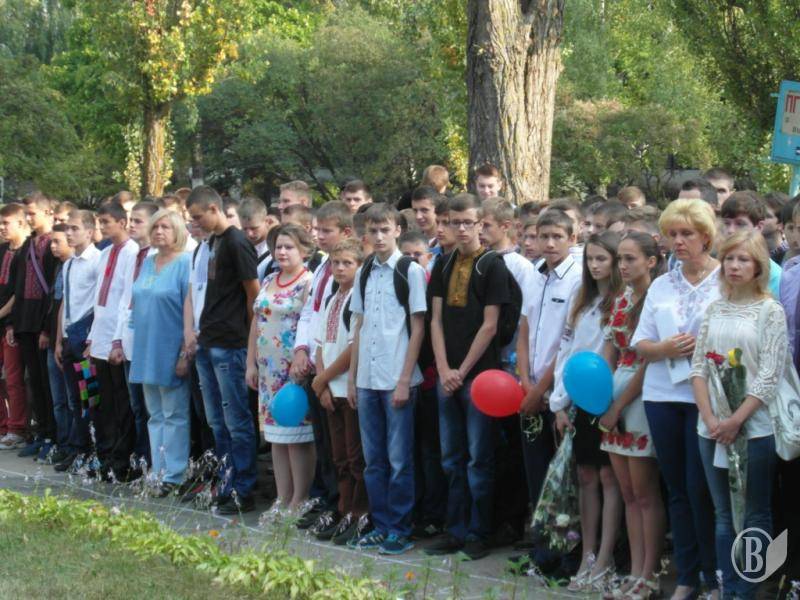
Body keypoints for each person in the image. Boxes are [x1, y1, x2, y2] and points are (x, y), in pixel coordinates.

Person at [632, 198, 720, 600]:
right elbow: (641, 344)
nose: (678, 241)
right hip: (662, 395)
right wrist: (665, 348)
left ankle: (714, 577)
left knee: (703, 488)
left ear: (706, 237)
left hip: (708, 399)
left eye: (687, 234)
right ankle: (687, 576)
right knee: (678, 489)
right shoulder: (662, 284)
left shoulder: (725, 280)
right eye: (672, 234)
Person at [690, 231, 784, 600]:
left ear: (758, 266)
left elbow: (769, 374)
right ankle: (727, 589)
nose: (734, 265)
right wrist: (712, 419)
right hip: (711, 427)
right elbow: (699, 366)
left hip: (754, 428)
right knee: (724, 514)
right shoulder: (715, 308)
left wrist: (736, 420)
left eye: (743, 259)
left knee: (754, 514)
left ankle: (748, 591)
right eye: (729, 258)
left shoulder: (770, 311)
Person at [426, 193, 511, 560]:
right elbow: (435, 320)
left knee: (479, 458)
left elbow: (490, 325)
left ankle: (479, 532)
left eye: (467, 223)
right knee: (451, 457)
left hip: (479, 376)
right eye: (453, 222)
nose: (460, 229)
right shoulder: (442, 263)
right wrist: (444, 368)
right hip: (447, 374)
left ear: (480, 224)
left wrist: (461, 371)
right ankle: (455, 529)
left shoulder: (492, 265)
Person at [348, 202, 426, 555]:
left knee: (399, 460)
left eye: (385, 230)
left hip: (396, 376)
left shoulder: (409, 270)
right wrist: (353, 378)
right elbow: (359, 324)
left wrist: (405, 379)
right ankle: (380, 525)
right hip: (367, 377)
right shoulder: (364, 271)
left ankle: (400, 528)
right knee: (373, 460)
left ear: (398, 230)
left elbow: (418, 326)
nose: (378, 237)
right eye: (373, 230)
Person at [550, 232, 623, 593]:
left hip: (609, 398)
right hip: (578, 398)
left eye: (602, 259)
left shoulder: (622, 301)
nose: (594, 266)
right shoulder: (581, 299)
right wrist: (559, 402)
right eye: (590, 259)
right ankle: (588, 555)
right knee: (586, 476)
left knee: (610, 477)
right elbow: (567, 352)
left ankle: (606, 558)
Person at [599, 232, 666, 600]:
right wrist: (600, 395)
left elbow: (646, 362)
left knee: (644, 492)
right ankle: (634, 572)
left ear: (651, 261)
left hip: (640, 394)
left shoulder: (657, 297)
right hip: (615, 391)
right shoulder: (622, 297)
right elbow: (611, 349)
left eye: (630, 258)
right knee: (626, 491)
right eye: (620, 258)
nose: (622, 266)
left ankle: (649, 574)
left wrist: (618, 404)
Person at [185, 186, 260, 514]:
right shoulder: (211, 243)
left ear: (214, 209)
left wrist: (249, 342)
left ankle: (244, 488)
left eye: (198, 216)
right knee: (216, 420)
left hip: (231, 343)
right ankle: (226, 481)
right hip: (208, 339)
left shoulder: (236, 241)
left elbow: (253, 293)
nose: (195, 223)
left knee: (237, 420)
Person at [290, 201, 353, 532]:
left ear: (346, 231)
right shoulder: (321, 268)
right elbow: (310, 312)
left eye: (326, 230)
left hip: (336, 370)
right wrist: (301, 350)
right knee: (324, 441)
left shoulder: (349, 272)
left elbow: (343, 332)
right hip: (317, 362)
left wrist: (325, 373)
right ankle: (326, 499)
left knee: (341, 446)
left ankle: (341, 505)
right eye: (316, 229)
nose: (318, 236)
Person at [517, 209, 581, 515]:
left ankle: (561, 537)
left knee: (562, 472)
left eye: (558, 236)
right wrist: (525, 382)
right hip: (530, 389)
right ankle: (539, 534)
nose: (550, 243)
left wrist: (541, 388)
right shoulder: (534, 274)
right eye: (544, 236)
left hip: (558, 391)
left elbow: (569, 341)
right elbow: (524, 329)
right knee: (534, 467)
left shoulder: (578, 280)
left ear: (572, 238)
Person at [246, 225, 314, 510]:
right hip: (267, 370)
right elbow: (257, 320)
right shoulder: (269, 279)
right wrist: (250, 363)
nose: (282, 252)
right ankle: (282, 497)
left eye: (289, 247)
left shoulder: (308, 281)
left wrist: (302, 357)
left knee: (296, 435)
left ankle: (300, 498)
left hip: (293, 370)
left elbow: (310, 322)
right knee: (275, 435)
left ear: (304, 250)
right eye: (278, 247)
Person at [129, 210, 192, 497]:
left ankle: (174, 474)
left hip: (171, 347)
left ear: (177, 230)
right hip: (145, 347)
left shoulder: (185, 263)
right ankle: (158, 470)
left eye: (165, 227)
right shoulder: (148, 261)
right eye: (155, 227)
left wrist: (184, 353)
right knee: (154, 414)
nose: (159, 232)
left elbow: (190, 309)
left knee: (174, 413)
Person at [311, 239, 367, 545]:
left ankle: (360, 514)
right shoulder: (332, 298)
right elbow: (321, 344)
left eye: (348, 263)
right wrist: (321, 382)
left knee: (356, 457)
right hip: (329, 389)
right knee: (340, 457)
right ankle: (344, 511)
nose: (340, 268)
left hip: (348, 387)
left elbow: (351, 348)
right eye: (336, 263)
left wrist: (323, 379)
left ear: (359, 266)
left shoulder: (358, 299)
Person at [87, 201, 139, 481]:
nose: (102, 227)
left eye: (106, 222)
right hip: (100, 336)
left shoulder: (132, 252)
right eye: (100, 222)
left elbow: (125, 299)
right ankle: (105, 455)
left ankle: (122, 460)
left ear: (122, 222)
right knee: (103, 402)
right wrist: (92, 336)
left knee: (122, 403)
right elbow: (100, 299)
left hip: (117, 340)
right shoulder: (105, 253)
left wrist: (117, 340)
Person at [111, 200, 159, 467]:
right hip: (129, 341)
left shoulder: (158, 256)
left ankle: (154, 462)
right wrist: (117, 339)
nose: (131, 225)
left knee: (153, 408)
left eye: (138, 221)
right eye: (131, 220)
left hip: (149, 343)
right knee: (137, 406)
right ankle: (141, 462)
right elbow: (124, 299)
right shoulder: (133, 255)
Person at [11, 192, 58, 460]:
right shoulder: (28, 245)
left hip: (43, 323)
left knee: (48, 383)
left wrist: (46, 328)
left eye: (33, 213)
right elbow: (18, 286)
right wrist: (13, 324)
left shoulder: (53, 244)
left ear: (47, 212)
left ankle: (53, 435)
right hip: (25, 321)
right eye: (26, 214)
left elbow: (53, 290)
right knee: (34, 382)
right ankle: (41, 432)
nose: (29, 218)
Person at [54, 210, 101, 472]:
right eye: (67, 229)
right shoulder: (69, 263)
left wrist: (93, 338)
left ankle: (91, 451)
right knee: (74, 398)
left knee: (89, 398)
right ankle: (78, 449)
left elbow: (98, 303)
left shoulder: (96, 260)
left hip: (85, 339)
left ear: (89, 232)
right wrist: (59, 339)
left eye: (75, 228)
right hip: (70, 337)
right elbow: (66, 303)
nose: (69, 233)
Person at [44, 224, 75, 466]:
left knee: (76, 399)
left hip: (75, 341)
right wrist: (53, 339)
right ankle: (63, 444)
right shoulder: (60, 267)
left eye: (58, 241)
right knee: (59, 399)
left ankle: (76, 445)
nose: (53, 246)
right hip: (57, 340)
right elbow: (57, 307)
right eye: (51, 242)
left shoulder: (78, 265)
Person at [0, 204, 29, 450]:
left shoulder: (26, 252)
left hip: (12, 324)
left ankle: (16, 428)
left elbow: (18, 293)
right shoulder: (2, 250)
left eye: (6, 223)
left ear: (20, 223)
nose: (2, 228)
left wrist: (3, 315)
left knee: (13, 379)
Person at [719, 191, 782, 298]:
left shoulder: (775, 276)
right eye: (727, 223)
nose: (730, 230)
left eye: (740, 224)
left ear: (759, 227)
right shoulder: (715, 265)